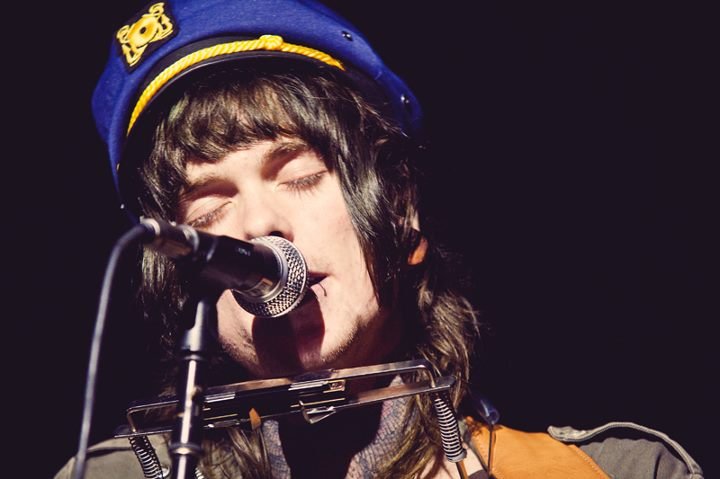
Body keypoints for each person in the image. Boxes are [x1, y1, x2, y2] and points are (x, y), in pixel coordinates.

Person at [55, 0, 705, 478]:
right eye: (208, 207)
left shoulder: (614, 472)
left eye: (300, 176)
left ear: (399, 209)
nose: (256, 226)